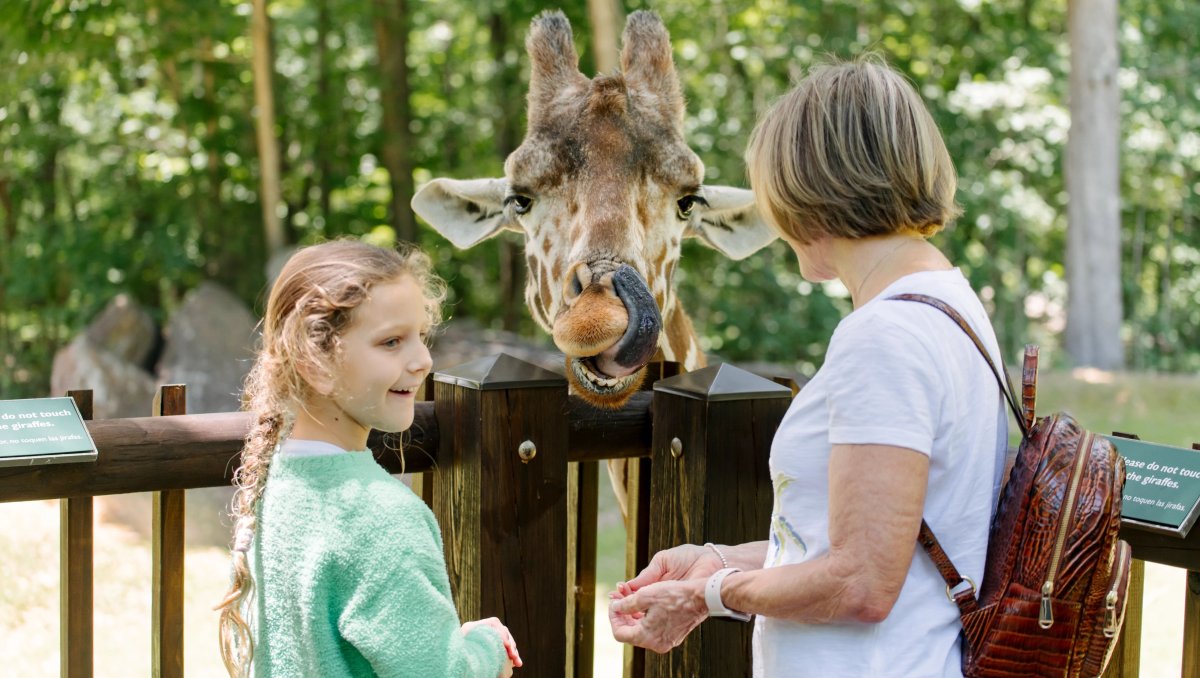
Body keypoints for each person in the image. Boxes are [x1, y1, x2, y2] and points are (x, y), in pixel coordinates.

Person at [607, 56, 1008, 677]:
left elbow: (860, 584)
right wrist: (717, 560)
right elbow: (866, 547)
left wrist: (710, 595)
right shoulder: (952, 303)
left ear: (810, 187)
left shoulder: (884, 336)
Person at [215, 239, 522, 677]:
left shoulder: (277, 481)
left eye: (421, 336)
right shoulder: (381, 519)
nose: (423, 360)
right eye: (392, 341)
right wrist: (486, 648)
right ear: (314, 361)